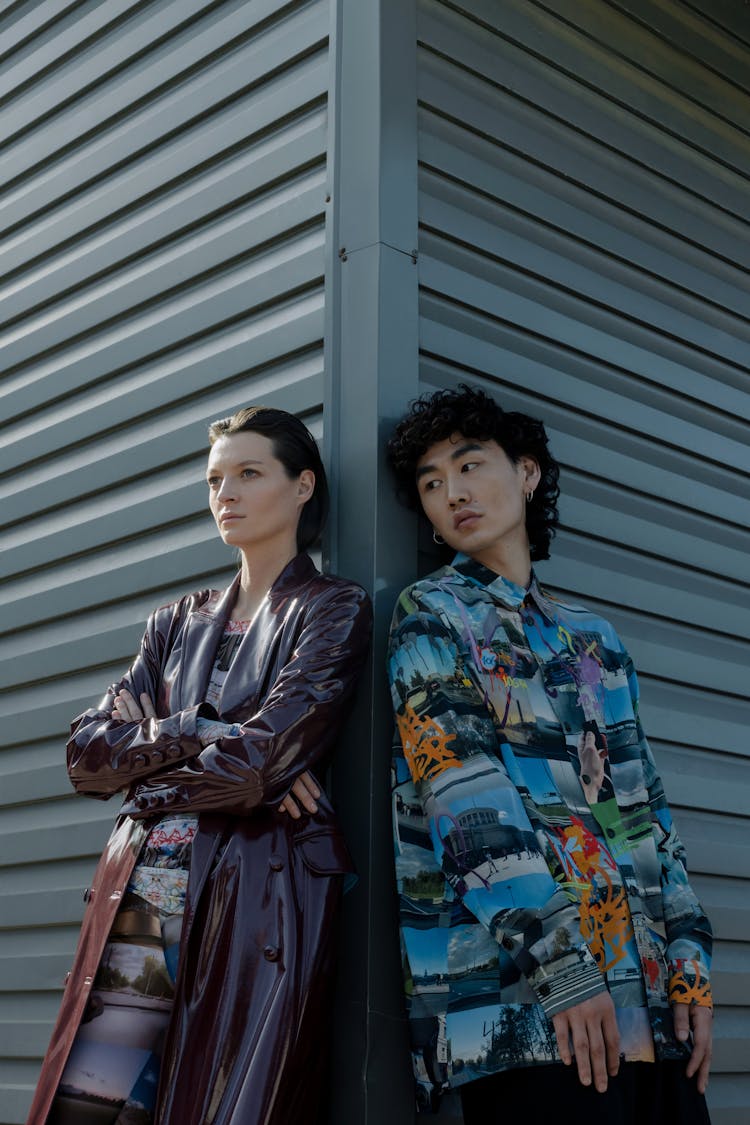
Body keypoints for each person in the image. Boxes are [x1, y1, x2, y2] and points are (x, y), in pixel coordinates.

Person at [27, 406, 372, 1125]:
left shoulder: (330, 609)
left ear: (303, 485)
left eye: (249, 474)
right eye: (216, 478)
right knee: (93, 1106)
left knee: (220, 1103)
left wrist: (146, 760)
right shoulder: (175, 622)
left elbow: (257, 764)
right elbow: (87, 759)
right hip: (141, 900)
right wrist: (201, 728)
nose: (227, 494)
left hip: (253, 900)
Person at [386, 384, 712, 1124]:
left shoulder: (594, 638)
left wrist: (688, 968)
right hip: (527, 1013)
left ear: (527, 473)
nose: (452, 493)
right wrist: (562, 969)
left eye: (469, 466)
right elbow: (467, 809)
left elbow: (644, 806)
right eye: (431, 483)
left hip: (649, 1001)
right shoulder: (432, 617)